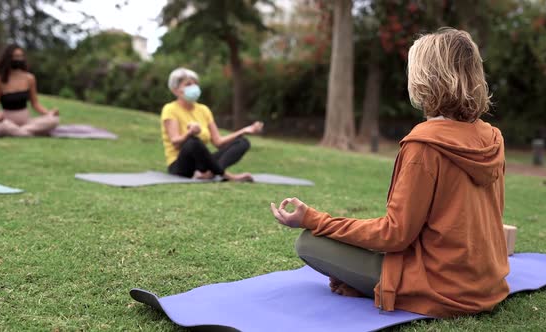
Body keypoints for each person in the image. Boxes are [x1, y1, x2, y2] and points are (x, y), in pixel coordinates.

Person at [270, 28, 509, 318]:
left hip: (443, 288)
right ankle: (370, 283)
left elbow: (395, 235)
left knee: (308, 242)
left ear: (425, 78)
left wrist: (313, 219)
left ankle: (381, 286)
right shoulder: (492, 137)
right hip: (487, 284)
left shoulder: (425, 145)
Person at [160, 67, 263, 181]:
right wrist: (189, 133)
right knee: (193, 142)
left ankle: (210, 173)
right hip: (181, 165)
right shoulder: (170, 109)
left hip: (203, 163)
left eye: (195, 84)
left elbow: (218, 142)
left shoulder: (204, 110)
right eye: (188, 84)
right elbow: (175, 142)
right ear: (175, 90)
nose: (193, 87)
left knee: (242, 142)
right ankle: (227, 175)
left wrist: (244, 130)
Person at [0, 44, 59, 137]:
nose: (19, 59)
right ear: (8, 58)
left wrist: (49, 113)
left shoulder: (29, 78)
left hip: (27, 122)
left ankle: (20, 132)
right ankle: (30, 133)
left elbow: (35, 104)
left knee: (54, 120)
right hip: (7, 122)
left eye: (21, 56)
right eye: (16, 56)